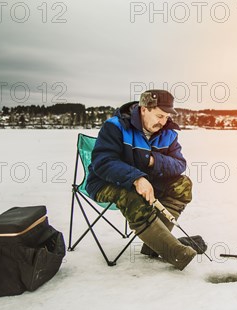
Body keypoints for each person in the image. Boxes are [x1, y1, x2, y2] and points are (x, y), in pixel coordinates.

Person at [85, 89, 203, 270]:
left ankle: (154, 245)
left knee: (183, 185)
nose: (163, 122)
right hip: (104, 183)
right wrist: (136, 178)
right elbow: (103, 162)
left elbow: (179, 164)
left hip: (150, 182)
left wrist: (153, 160)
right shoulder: (115, 127)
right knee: (133, 196)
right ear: (143, 109)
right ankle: (175, 253)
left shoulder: (168, 134)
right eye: (159, 116)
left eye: (166, 117)